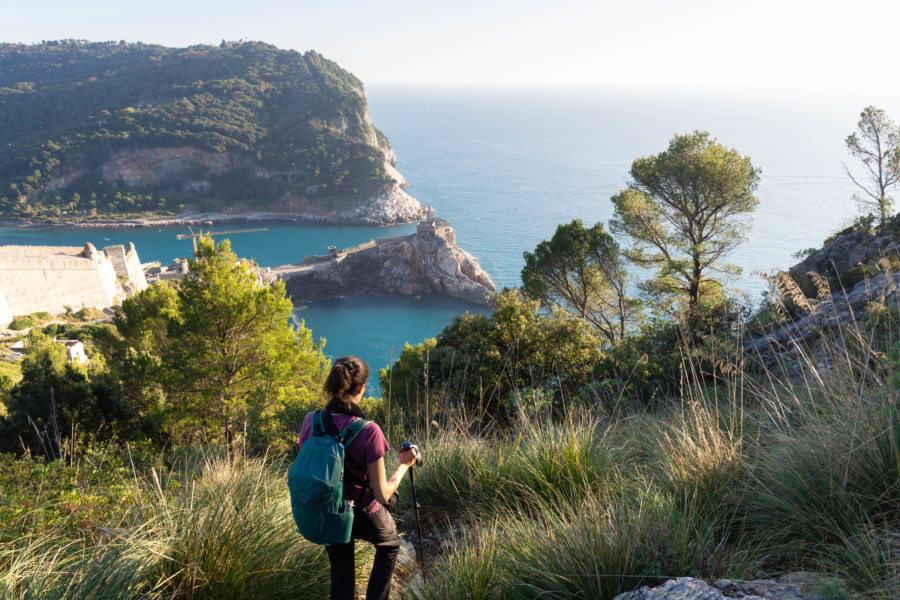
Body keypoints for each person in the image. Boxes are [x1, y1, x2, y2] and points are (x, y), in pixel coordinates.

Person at [298, 355, 417, 600]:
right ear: (362, 388)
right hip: (361, 512)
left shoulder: (311, 421)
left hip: (326, 511)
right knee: (390, 544)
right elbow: (383, 495)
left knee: (341, 574)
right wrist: (404, 465)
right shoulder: (368, 430)